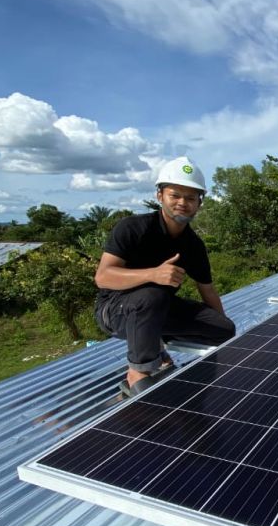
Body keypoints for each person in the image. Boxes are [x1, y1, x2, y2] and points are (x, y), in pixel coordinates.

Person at [94, 156, 235, 397]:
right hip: (114, 311)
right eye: (175, 195)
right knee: (153, 294)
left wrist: (227, 337)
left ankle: (152, 338)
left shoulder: (193, 245)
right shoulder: (132, 228)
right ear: (160, 196)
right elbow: (103, 277)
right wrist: (153, 273)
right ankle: (138, 372)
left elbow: (207, 289)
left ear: (199, 203)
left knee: (223, 328)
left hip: (158, 309)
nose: (183, 203)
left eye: (191, 198)